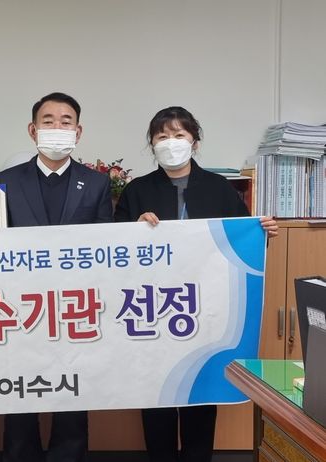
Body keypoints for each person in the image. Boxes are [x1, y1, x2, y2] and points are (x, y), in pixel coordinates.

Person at [114, 106, 278, 462]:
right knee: (156, 394)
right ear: (152, 144)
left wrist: (261, 232)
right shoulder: (136, 190)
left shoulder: (219, 188)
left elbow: (240, 243)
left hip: (205, 308)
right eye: (162, 136)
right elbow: (114, 249)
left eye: (179, 135)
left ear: (195, 142)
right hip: (152, 309)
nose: (170, 143)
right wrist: (133, 230)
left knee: (200, 391)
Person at [0, 92, 113, 462]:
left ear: (78, 131)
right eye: (48, 121)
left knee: (72, 393)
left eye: (65, 121)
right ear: (33, 130)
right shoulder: (5, 181)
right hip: (21, 306)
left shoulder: (96, 183)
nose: (57, 127)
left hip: (75, 307)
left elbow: (104, 246)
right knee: (21, 393)